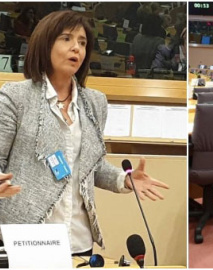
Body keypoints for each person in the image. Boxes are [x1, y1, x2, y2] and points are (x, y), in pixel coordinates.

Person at [0, 11, 169, 255]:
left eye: (82, 42)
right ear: (44, 43)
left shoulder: (95, 102)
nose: (76, 48)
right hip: (28, 238)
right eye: (66, 39)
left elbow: (94, 167)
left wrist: (125, 179)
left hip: (79, 239)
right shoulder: (15, 97)